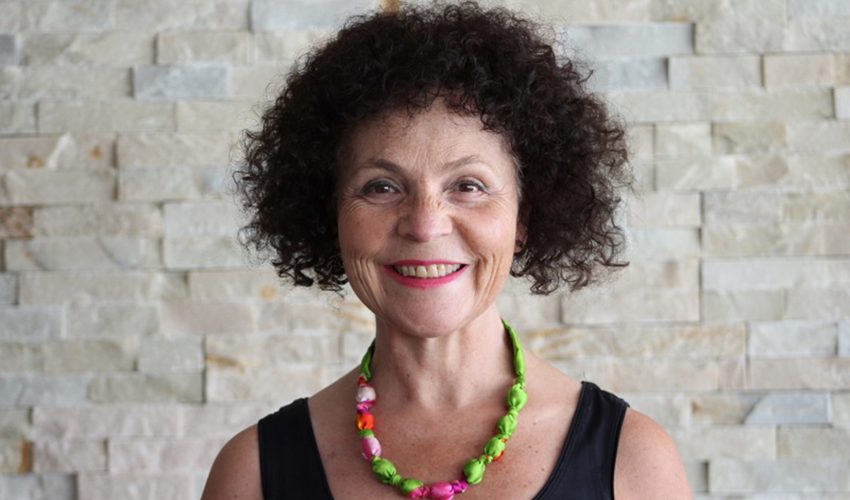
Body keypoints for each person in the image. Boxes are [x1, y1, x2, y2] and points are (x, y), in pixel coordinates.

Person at [201, 2, 692, 499]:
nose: (424, 224)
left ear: (523, 218)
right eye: (382, 187)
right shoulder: (251, 474)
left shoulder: (633, 461)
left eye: (468, 185)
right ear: (331, 215)